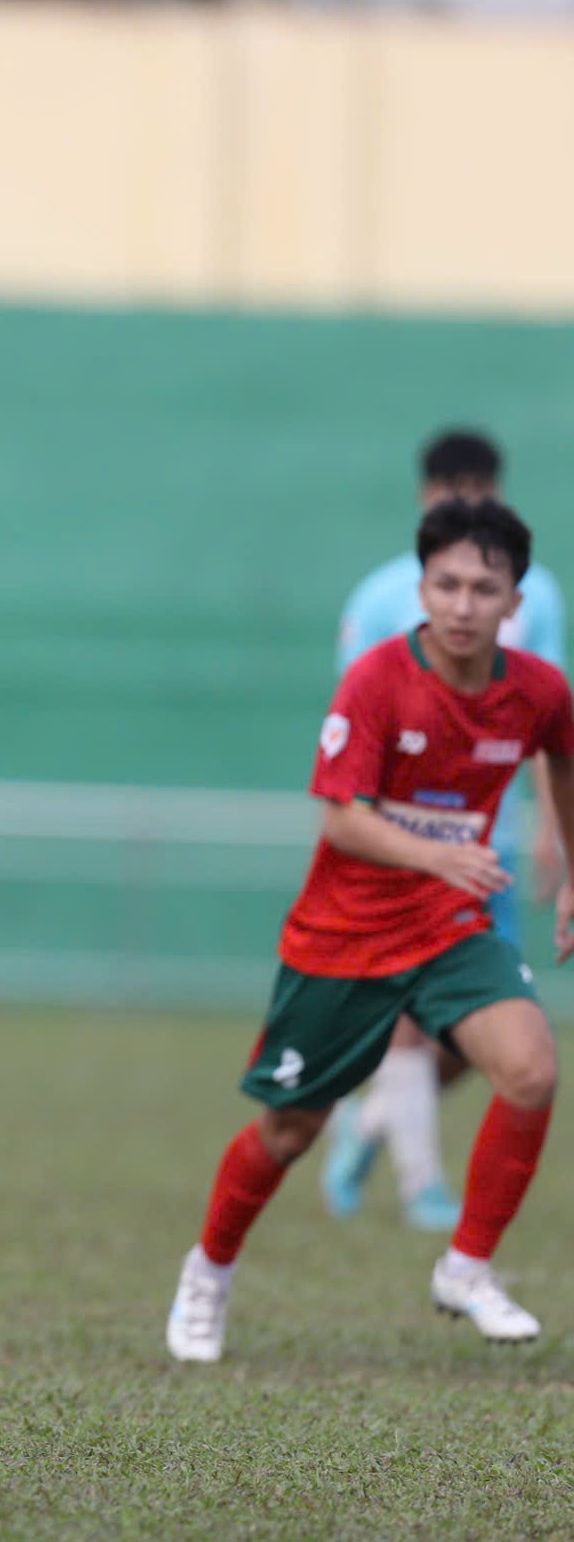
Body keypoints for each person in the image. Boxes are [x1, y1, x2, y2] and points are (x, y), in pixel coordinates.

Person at [166, 497, 572, 1362]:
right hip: (342, 937)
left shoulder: (536, 691)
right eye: (446, 584)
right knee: (290, 1130)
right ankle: (209, 1271)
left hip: (452, 928)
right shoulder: (379, 680)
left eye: (483, 589)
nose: (462, 605)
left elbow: (562, 752)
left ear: (515, 602)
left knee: (532, 1070)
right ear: (422, 587)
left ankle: (467, 1267)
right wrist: (440, 855)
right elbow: (340, 821)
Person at [319, 430, 567, 1233]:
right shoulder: (385, 595)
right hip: (399, 858)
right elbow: (357, 730)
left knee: (477, 1038)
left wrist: (551, 836)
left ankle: (373, 1120)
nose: (464, 605)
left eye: (483, 491)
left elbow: (547, 720)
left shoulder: (537, 595)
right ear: (427, 499)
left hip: (483, 856)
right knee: (404, 1026)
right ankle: (425, 1187)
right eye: (453, 492)